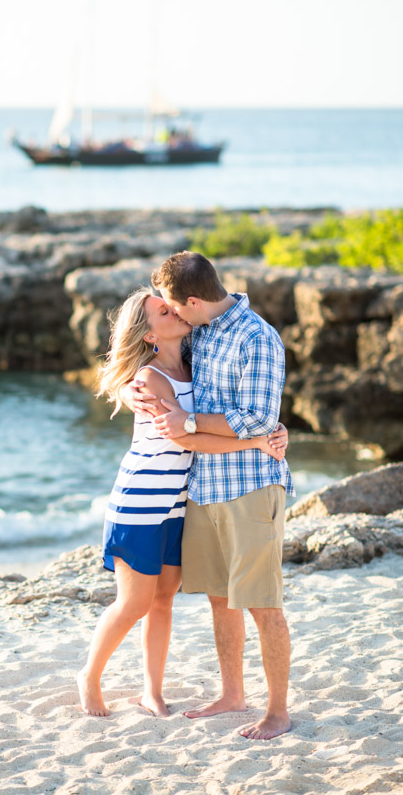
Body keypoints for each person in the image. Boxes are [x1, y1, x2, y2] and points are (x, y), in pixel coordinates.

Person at [77, 287, 288, 718]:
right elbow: (184, 435)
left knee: (163, 600)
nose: (173, 310)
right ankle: (89, 676)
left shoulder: (195, 360)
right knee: (133, 603)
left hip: (180, 501)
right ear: (150, 334)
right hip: (140, 501)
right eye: (162, 310)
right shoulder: (150, 378)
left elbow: (239, 409)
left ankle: (151, 691)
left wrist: (272, 427)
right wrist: (257, 442)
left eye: (170, 304)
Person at [123, 252, 295, 740]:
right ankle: (233, 693)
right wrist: (132, 392)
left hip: (251, 488)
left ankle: (278, 711)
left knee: (263, 605)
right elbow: (148, 364)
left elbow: (259, 417)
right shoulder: (198, 332)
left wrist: (193, 423)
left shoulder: (257, 338)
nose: (172, 314)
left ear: (194, 301)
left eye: (175, 306)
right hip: (202, 487)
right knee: (221, 600)